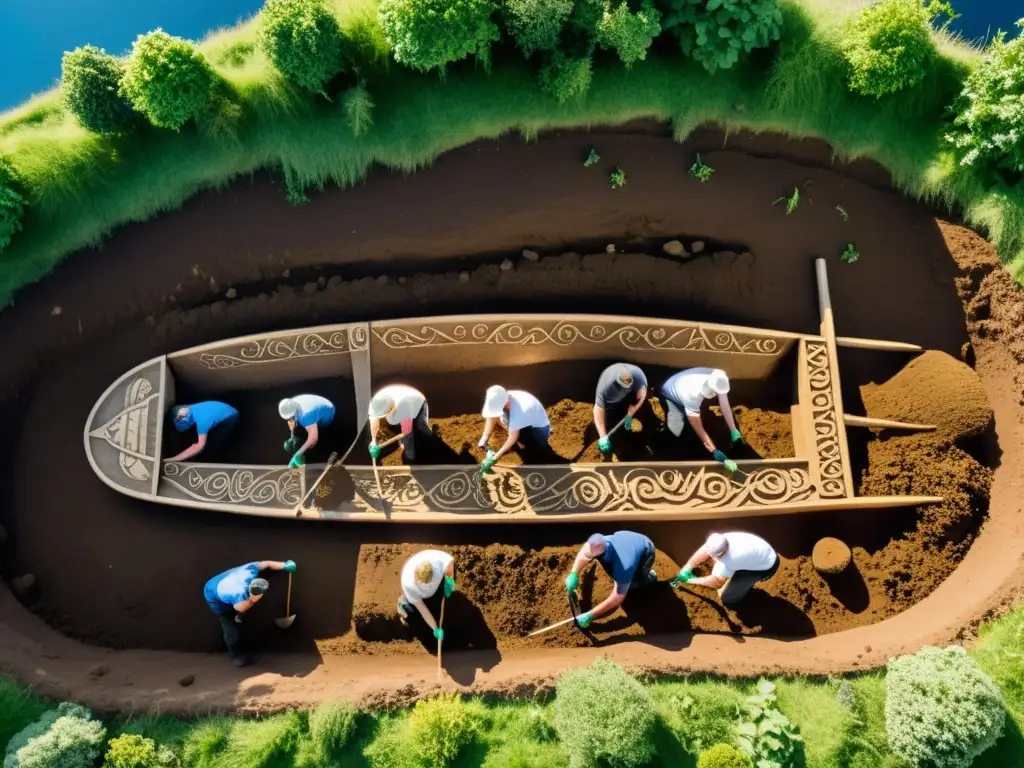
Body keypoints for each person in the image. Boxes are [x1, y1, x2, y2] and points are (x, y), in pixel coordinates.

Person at [203, 559, 296, 666]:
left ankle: (239, 617)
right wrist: (253, 599)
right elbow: (240, 608)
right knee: (229, 624)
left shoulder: (250, 570)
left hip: (223, 582)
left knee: (244, 606)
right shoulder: (237, 594)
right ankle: (237, 655)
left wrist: (285, 565)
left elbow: (267, 564)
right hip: (213, 594)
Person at [563, 531, 658, 629]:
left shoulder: (625, 566)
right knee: (618, 574)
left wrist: (590, 615)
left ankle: (649, 577)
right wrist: (574, 574)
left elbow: (618, 597)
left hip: (646, 550)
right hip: (626, 540)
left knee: (633, 584)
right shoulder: (598, 542)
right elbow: (584, 554)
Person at [659, 367, 742, 471]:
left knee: (696, 412)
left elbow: (724, 403)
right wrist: (714, 450)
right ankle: (668, 437)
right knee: (678, 425)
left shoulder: (719, 376)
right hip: (669, 391)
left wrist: (733, 429)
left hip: (680, 379)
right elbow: (698, 427)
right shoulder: (692, 396)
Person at [671, 531, 779, 605]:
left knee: (726, 597)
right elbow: (704, 550)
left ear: (720, 554)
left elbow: (717, 582)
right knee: (729, 571)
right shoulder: (722, 539)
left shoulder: (730, 560)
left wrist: (691, 580)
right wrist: (688, 566)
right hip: (760, 552)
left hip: (764, 567)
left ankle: (740, 598)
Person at [478, 385, 551, 473]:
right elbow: (490, 421)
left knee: (529, 447)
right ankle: (518, 445)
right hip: (520, 422)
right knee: (504, 420)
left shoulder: (520, 410)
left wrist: (494, 459)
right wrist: (483, 442)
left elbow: (513, 437)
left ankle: (534, 451)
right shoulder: (498, 398)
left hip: (539, 429)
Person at [396, 549, 456, 644]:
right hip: (418, 595)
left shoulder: (437, 562)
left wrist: (449, 580)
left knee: (440, 599)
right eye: (424, 583)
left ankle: (434, 598)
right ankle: (402, 604)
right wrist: (435, 628)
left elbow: (449, 561)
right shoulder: (408, 584)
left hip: (434, 589)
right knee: (410, 610)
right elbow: (423, 610)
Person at [368, 384, 431, 461]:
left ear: (391, 409)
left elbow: (407, 431)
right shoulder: (376, 402)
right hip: (400, 399)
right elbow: (374, 420)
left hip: (418, 401)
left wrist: (406, 439)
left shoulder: (404, 407)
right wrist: (373, 441)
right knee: (393, 421)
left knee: (419, 429)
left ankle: (414, 454)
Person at [594, 363, 648, 453]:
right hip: (610, 401)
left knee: (629, 400)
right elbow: (598, 409)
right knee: (608, 415)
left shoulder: (638, 376)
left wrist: (631, 413)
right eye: (622, 386)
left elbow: (641, 396)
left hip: (627, 396)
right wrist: (602, 436)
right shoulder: (605, 386)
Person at [166, 401, 239, 462]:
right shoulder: (188, 409)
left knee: (219, 437)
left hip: (231, 416)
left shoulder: (202, 423)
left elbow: (199, 446)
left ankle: (212, 452)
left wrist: (173, 459)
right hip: (220, 408)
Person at [279, 394, 335, 468]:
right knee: (302, 432)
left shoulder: (306, 415)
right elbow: (290, 418)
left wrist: (298, 454)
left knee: (313, 443)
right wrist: (291, 429)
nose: (290, 420)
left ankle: (320, 458)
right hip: (315, 408)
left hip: (328, 414)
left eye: (291, 418)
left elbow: (313, 438)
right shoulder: (291, 403)